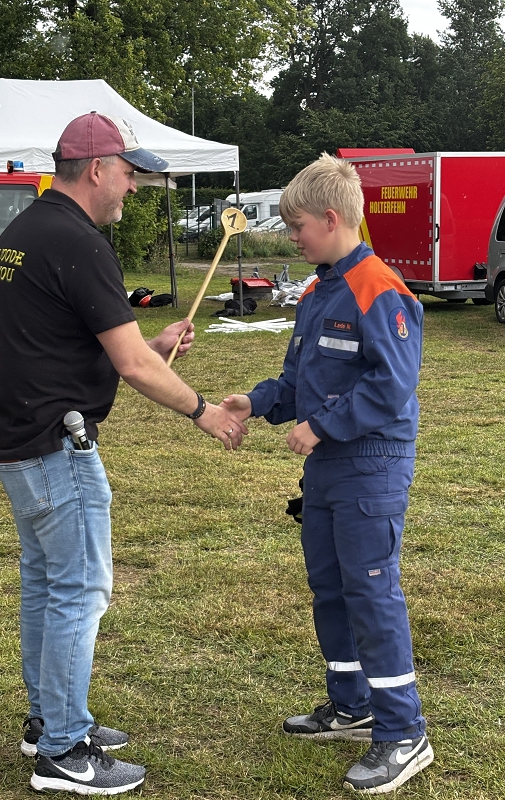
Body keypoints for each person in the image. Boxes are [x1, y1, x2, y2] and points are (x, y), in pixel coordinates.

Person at [0, 111, 247, 796]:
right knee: (79, 591)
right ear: (97, 169)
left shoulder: (24, 231)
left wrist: (153, 345)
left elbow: (63, 346)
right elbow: (130, 366)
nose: (133, 188)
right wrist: (204, 410)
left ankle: (50, 721)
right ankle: (64, 752)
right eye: (129, 173)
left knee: (47, 585)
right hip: (55, 448)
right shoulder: (80, 242)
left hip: (18, 442)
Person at [223, 153, 432, 794]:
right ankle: (352, 704)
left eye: (298, 227)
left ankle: (404, 732)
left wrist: (322, 426)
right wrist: (255, 402)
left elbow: (392, 385)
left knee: (371, 593)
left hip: (371, 467)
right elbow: (298, 380)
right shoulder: (317, 292)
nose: (292, 237)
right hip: (327, 471)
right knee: (331, 588)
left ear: (332, 218)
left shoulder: (381, 289)